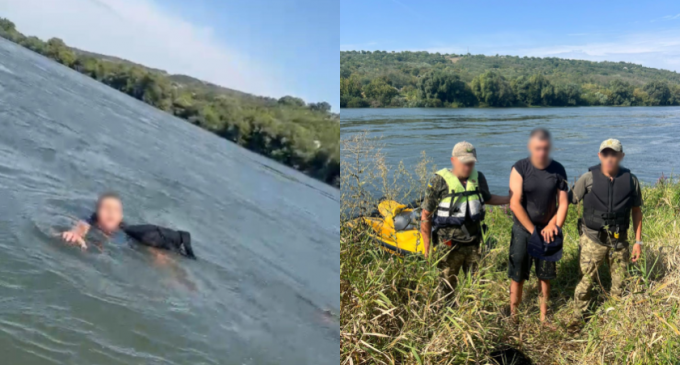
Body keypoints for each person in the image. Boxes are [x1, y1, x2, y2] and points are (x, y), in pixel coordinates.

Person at [569, 139, 642, 323]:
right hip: (592, 239)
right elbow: (569, 200)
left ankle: (616, 319)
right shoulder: (588, 178)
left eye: (614, 154)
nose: (610, 158)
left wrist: (638, 242)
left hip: (619, 240)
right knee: (585, 282)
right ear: (599, 156)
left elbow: (636, 211)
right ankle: (578, 318)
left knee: (620, 282)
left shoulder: (631, 180)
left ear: (621, 156)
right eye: (605, 154)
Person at [421, 141, 509, 289]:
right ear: (453, 160)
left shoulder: (478, 178)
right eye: (464, 162)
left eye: (471, 163)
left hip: (474, 243)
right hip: (448, 246)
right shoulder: (438, 181)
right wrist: (427, 248)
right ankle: (444, 311)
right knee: (445, 288)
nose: (468, 167)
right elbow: (426, 214)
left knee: (477, 287)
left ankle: (473, 311)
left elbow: (487, 198)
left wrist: (510, 199)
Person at [508, 128, 568, 323]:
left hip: (548, 231)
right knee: (518, 275)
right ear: (530, 147)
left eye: (544, 148)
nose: (541, 152)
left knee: (545, 276)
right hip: (523, 230)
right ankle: (514, 315)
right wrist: (533, 231)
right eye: (537, 148)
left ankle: (544, 317)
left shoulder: (558, 169)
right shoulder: (519, 168)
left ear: (549, 147)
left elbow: (563, 203)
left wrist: (554, 226)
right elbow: (514, 203)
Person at [62, 192, 126, 250]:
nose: (111, 212)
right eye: (106, 208)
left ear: (121, 217)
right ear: (97, 213)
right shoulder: (91, 221)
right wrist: (75, 233)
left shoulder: (124, 230)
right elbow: (83, 225)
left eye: (116, 210)